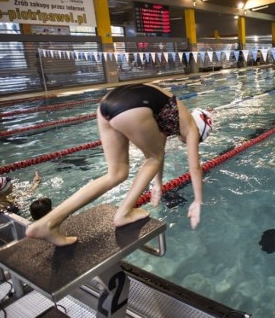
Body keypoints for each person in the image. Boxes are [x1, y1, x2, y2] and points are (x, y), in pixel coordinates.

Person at [26, 83, 213, 246]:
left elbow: (158, 152)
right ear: (200, 130)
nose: (187, 142)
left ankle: (48, 223)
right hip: (132, 108)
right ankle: (123, 213)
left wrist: (157, 184)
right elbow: (194, 166)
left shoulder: (170, 114)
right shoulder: (190, 126)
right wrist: (197, 200)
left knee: (116, 173)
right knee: (153, 157)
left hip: (106, 105)